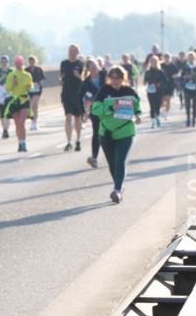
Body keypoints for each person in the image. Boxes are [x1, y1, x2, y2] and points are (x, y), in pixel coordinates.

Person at [92, 66, 142, 203]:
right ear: (109, 78)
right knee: (112, 163)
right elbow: (95, 110)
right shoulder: (104, 91)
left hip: (126, 132)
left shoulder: (129, 91)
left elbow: (137, 107)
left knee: (120, 161)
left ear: (123, 78)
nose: (115, 80)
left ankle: (117, 190)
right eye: (112, 77)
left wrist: (138, 116)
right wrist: (110, 108)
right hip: (106, 133)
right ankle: (120, 185)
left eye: (118, 77)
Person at [3, 55, 34, 152]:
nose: (18, 65)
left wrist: (29, 86)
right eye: (16, 63)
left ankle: (23, 143)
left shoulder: (27, 75)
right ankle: (20, 143)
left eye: (20, 63)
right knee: (17, 124)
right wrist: (13, 83)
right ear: (15, 64)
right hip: (14, 100)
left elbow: (31, 86)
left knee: (21, 122)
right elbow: (7, 89)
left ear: (23, 63)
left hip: (24, 100)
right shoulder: (11, 75)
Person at [60, 44, 85, 150]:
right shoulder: (64, 63)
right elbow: (61, 77)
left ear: (77, 52)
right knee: (68, 117)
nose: (71, 52)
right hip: (66, 93)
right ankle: (69, 142)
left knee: (77, 118)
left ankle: (78, 140)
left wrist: (77, 75)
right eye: (70, 50)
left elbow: (83, 79)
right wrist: (62, 78)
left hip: (78, 94)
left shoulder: (80, 63)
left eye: (74, 51)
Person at [80, 58, 105, 168]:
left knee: (110, 131)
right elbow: (79, 97)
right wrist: (83, 112)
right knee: (97, 132)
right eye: (91, 67)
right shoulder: (86, 82)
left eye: (95, 65)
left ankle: (115, 154)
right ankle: (94, 157)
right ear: (89, 69)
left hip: (109, 108)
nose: (94, 68)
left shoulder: (106, 75)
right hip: (95, 110)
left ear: (98, 65)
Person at [142, 55, 171, 128]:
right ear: (150, 62)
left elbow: (166, 80)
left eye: (154, 61)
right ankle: (153, 122)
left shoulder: (160, 71)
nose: (153, 62)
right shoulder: (148, 72)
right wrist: (145, 82)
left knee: (157, 105)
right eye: (152, 61)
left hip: (159, 91)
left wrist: (160, 84)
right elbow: (145, 81)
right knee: (152, 106)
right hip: (150, 90)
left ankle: (157, 117)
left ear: (157, 62)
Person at [0, 55, 13, 138]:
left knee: (7, 112)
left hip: (8, 92)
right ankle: (4, 129)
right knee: (2, 113)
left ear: (8, 62)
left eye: (5, 62)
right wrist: (2, 78)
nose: (4, 63)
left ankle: (6, 130)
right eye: (2, 62)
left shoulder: (11, 71)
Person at [25, 56, 46, 131]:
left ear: (35, 62)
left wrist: (39, 83)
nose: (31, 63)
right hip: (29, 90)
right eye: (30, 61)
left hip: (37, 89)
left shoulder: (39, 69)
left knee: (35, 105)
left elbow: (43, 79)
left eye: (33, 61)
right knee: (30, 107)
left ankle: (35, 122)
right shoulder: (26, 70)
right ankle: (32, 122)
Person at [181, 51, 196, 127]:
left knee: (195, 105)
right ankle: (188, 119)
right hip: (187, 87)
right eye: (189, 57)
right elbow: (182, 76)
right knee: (187, 105)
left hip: (195, 87)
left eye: (192, 57)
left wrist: (195, 77)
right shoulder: (185, 66)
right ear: (188, 58)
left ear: (195, 58)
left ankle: (194, 121)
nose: (191, 59)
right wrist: (186, 77)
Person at [160, 52, 179, 119]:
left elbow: (177, 74)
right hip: (162, 84)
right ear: (163, 58)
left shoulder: (173, 66)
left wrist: (175, 76)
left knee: (168, 99)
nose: (167, 58)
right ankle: (163, 110)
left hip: (170, 84)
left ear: (170, 58)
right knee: (162, 99)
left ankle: (166, 113)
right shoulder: (161, 65)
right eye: (165, 57)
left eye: (168, 57)